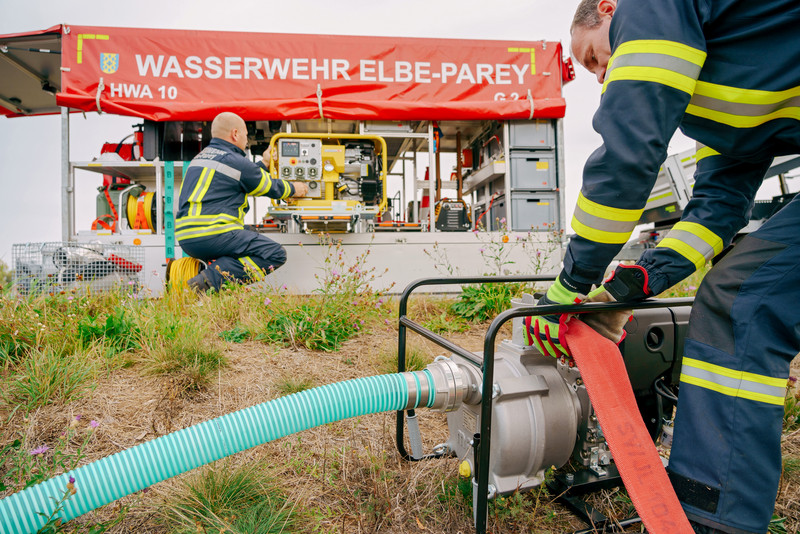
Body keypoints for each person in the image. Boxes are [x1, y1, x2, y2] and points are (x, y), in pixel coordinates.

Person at [530, 0, 800, 532]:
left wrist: (571, 283)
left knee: (741, 301)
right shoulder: (728, 107)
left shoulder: (651, 5)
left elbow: (629, 156)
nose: (603, 76)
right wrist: (637, 280)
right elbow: (718, 209)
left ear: (608, 8)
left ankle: (715, 519)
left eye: (593, 58)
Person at [176, 112, 308, 292]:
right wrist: (295, 189)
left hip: (187, 236)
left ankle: (214, 281)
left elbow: (245, 178)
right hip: (212, 232)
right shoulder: (234, 161)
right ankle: (205, 283)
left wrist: (264, 163)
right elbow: (268, 187)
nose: (246, 141)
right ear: (235, 134)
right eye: (246, 135)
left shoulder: (201, 158)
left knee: (251, 233)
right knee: (274, 254)